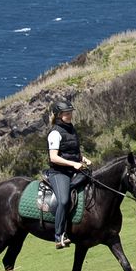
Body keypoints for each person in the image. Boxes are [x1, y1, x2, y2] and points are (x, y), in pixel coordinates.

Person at [46, 101, 89, 249]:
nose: (70, 115)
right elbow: (54, 157)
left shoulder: (71, 129)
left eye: (70, 112)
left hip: (74, 169)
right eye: (67, 113)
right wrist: (73, 164)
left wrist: (82, 159)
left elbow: (73, 151)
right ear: (59, 115)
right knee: (64, 201)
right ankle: (59, 236)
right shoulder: (54, 133)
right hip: (59, 172)